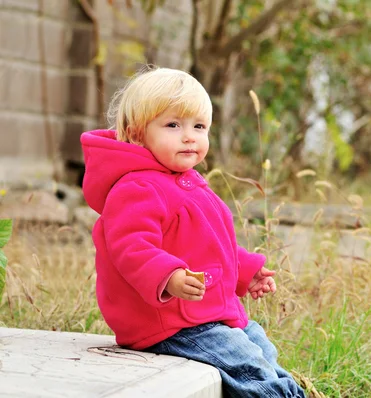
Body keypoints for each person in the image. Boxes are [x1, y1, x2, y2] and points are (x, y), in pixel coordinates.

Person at [80, 66, 305, 398]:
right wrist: (167, 275)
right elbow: (130, 246)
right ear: (137, 132)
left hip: (206, 314)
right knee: (248, 367)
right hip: (166, 322)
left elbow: (207, 244)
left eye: (199, 126)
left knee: (261, 351)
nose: (189, 136)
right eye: (173, 125)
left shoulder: (187, 183)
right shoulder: (137, 186)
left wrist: (245, 271)